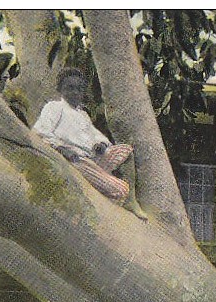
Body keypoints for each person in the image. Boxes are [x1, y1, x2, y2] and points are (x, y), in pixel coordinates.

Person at [33, 68, 147, 219]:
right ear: (60, 89)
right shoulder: (55, 107)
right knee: (120, 190)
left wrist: (99, 144)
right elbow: (40, 132)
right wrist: (61, 149)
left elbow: (96, 136)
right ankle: (106, 207)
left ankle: (131, 200)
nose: (75, 93)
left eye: (79, 89)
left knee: (125, 151)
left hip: (92, 158)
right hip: (76, 161)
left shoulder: (82, 114)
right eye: (70, 88)